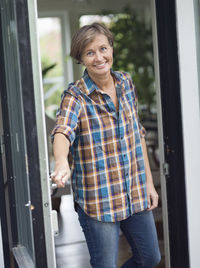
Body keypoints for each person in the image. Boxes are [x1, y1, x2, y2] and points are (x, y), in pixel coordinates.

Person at [51, 23, 161, 268]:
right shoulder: (75, 96)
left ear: (111, 48)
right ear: (81, 58)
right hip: (98, 200)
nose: (99, 57)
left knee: (150, 257)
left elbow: (137, 134)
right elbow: (62, 131)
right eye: (90, 52)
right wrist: (61, 162)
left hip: (134, 193)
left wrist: (149, 184)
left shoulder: (125, 83)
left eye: (103, 48)